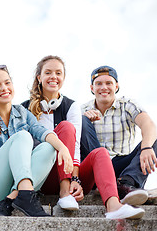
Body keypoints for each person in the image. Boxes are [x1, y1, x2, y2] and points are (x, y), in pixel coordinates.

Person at [24, 56, 145, 219]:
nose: (54, 76)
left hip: (70, 173)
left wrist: (75, 179)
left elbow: (75, 146)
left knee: (100, 152)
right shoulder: (24, 109)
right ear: (39, 77)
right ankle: (64, 192)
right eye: (48, 72)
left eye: (58, 73)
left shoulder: (71, 105)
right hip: (42, 177)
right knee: (65, 127)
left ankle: (114, 206)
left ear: (63, 78)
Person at [0, 65, 73, 217]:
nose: (4, 88)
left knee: (49, 147)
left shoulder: (22, 112)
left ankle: (13, 199)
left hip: (11, 189)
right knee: (23, 136)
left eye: (7, 83)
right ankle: (25, 194)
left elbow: (42, 132)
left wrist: (63, 148)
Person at [81, 65, 157, 206]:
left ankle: (126, 185)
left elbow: (148, 124)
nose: (104, 87)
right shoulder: (82, 110)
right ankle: (101, 185)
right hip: (95, 167)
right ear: (92, 88)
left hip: (120, 166)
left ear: (116, 86)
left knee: (155, 142)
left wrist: (146, 148)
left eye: (109, 83)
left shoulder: (127, 105)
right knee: (80, 121)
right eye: (98, 84)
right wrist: (83, 121)